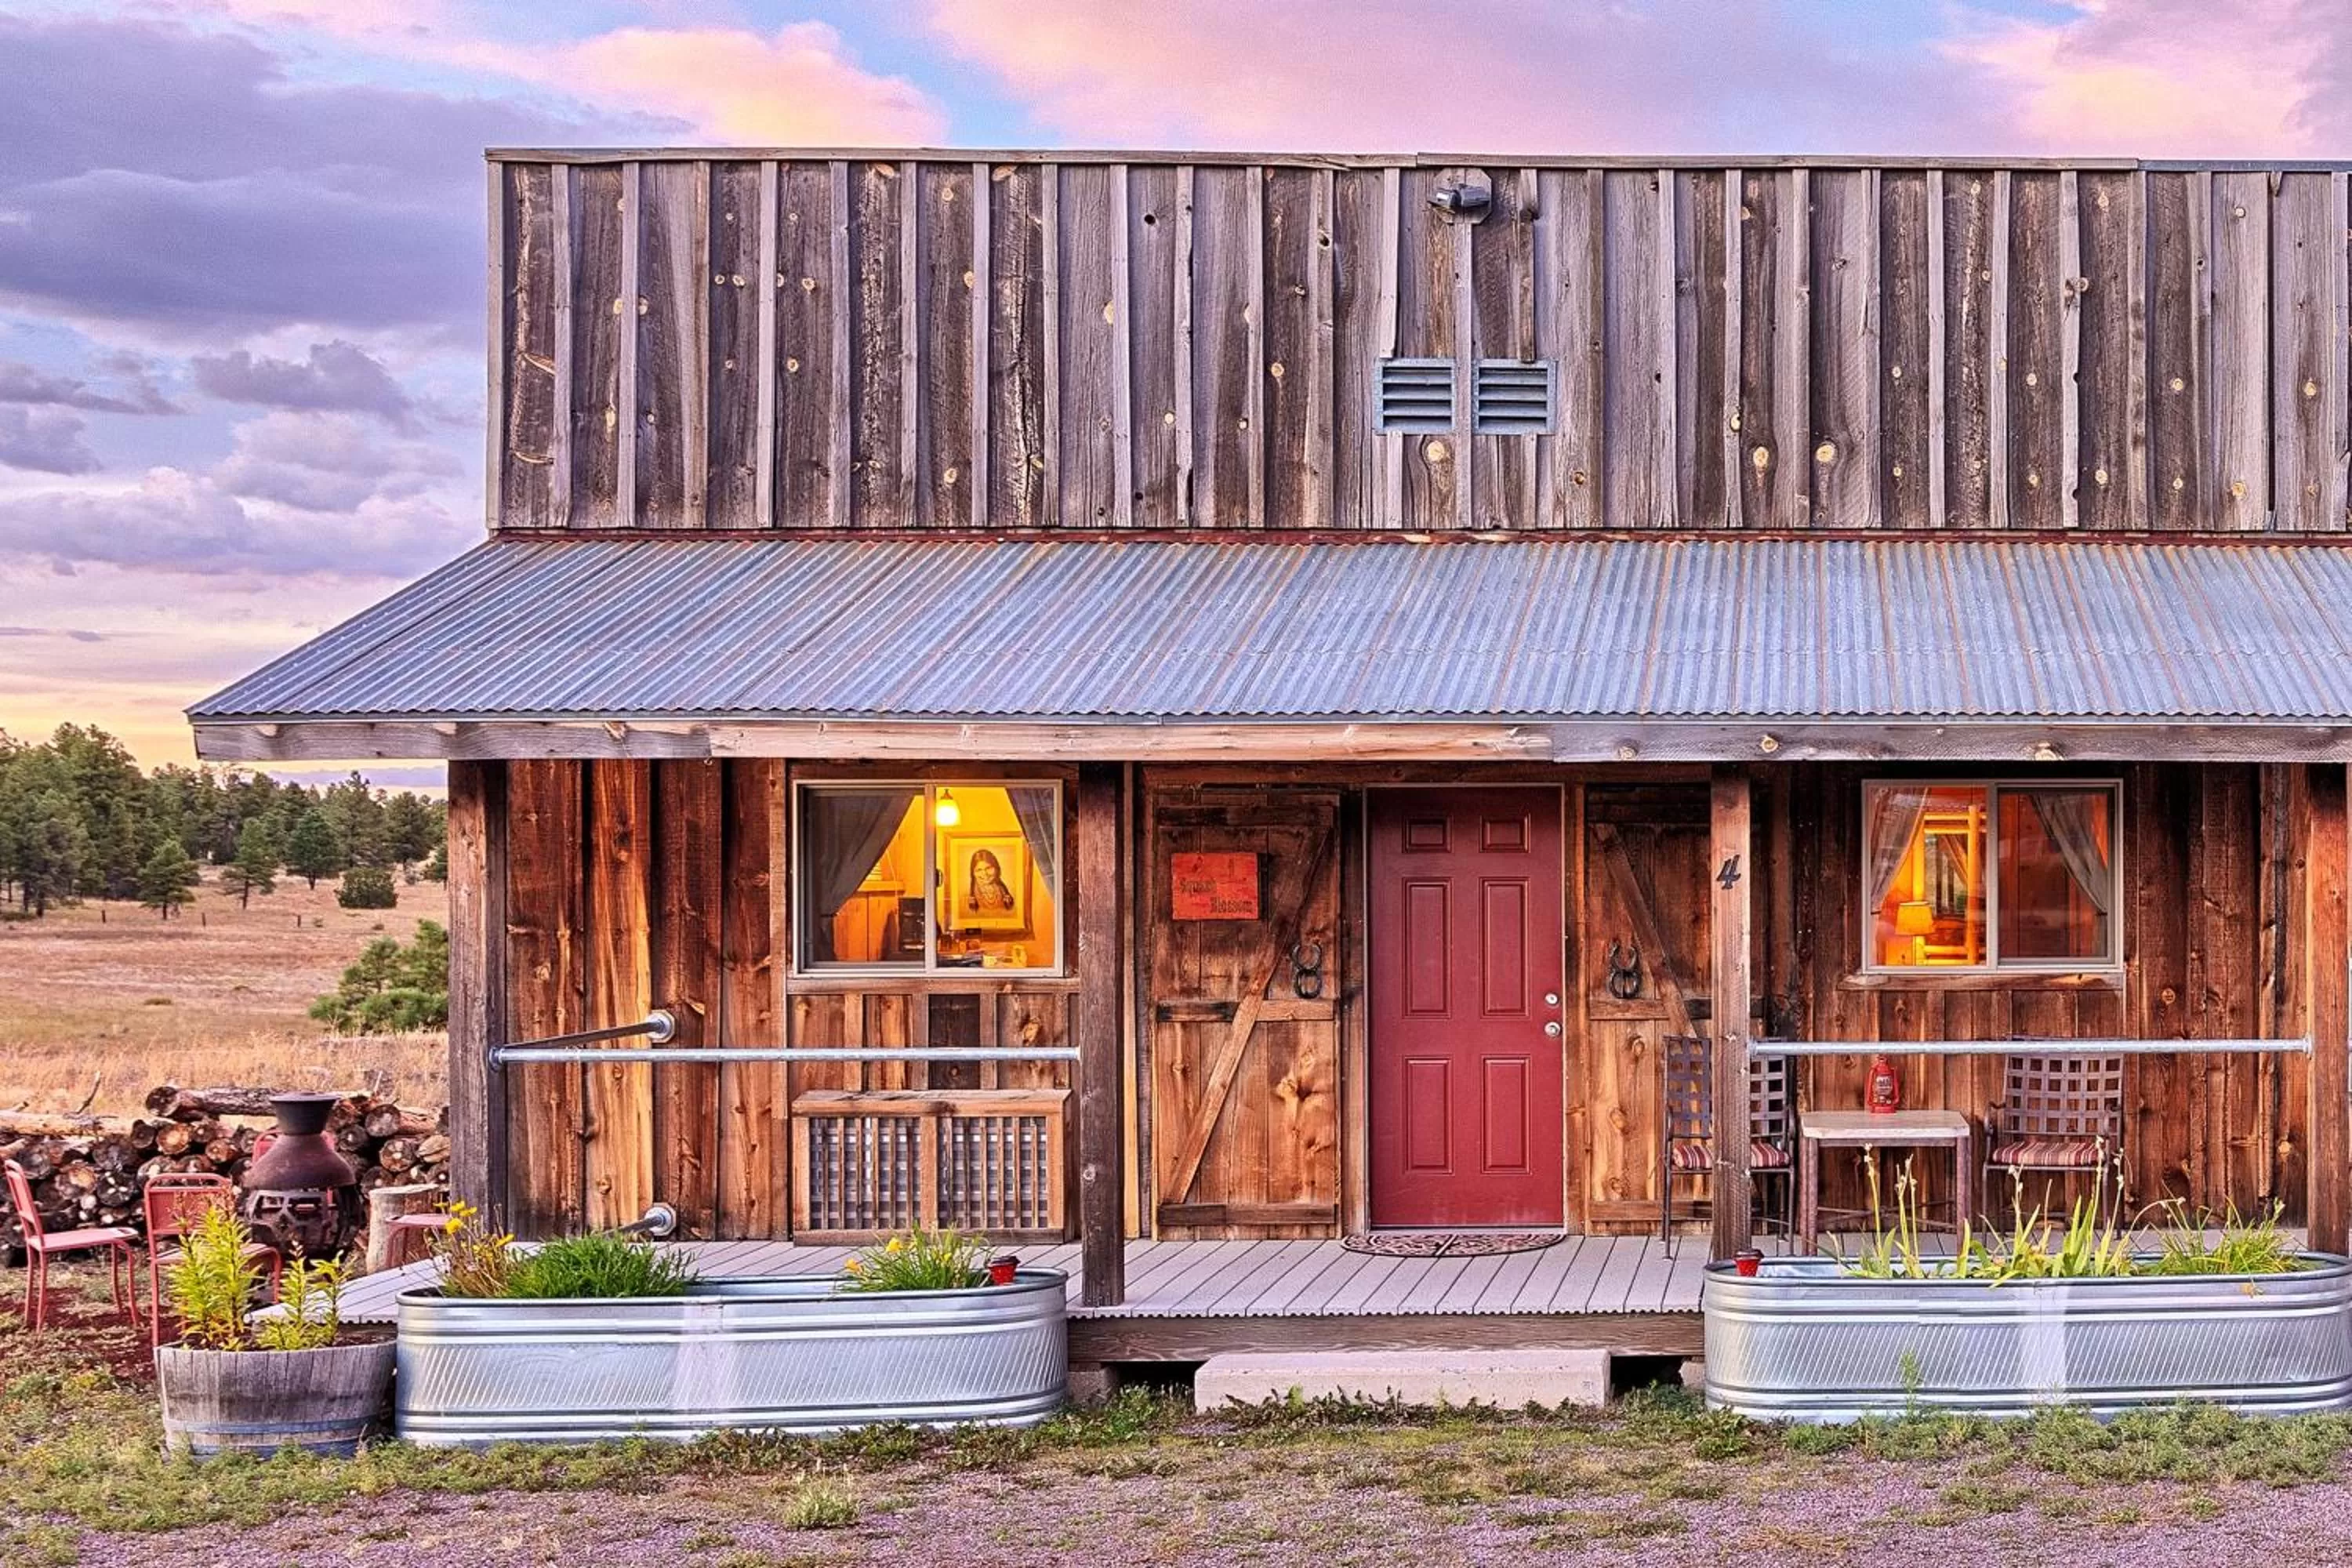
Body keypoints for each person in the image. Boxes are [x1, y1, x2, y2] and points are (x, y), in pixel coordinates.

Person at [967, 848, 1017, 914]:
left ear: (997, 869)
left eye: (988, 868)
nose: (984, 874)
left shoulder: (1005, 893)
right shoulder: (967, 897)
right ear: (973, 873)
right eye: (979, 870)